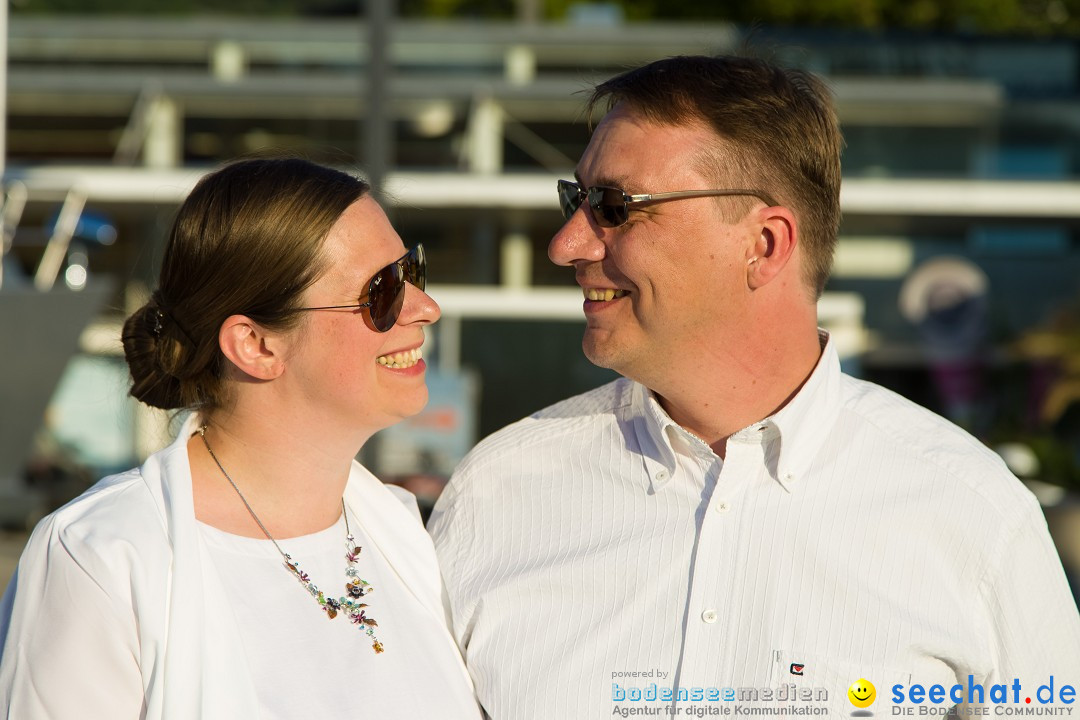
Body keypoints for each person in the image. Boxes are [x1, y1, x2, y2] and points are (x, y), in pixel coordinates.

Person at [428, 56, 1080, 718]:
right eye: (578, 200)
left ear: (765, 245)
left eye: (615, 207)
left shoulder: (970, 515)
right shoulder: (498, 495)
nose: (567, 244)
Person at [0, 158, 482, 719]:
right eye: (383, 291)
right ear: (255, 344)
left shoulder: (402, 534)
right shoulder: (103, 557)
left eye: (412, 272)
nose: (426, 308)